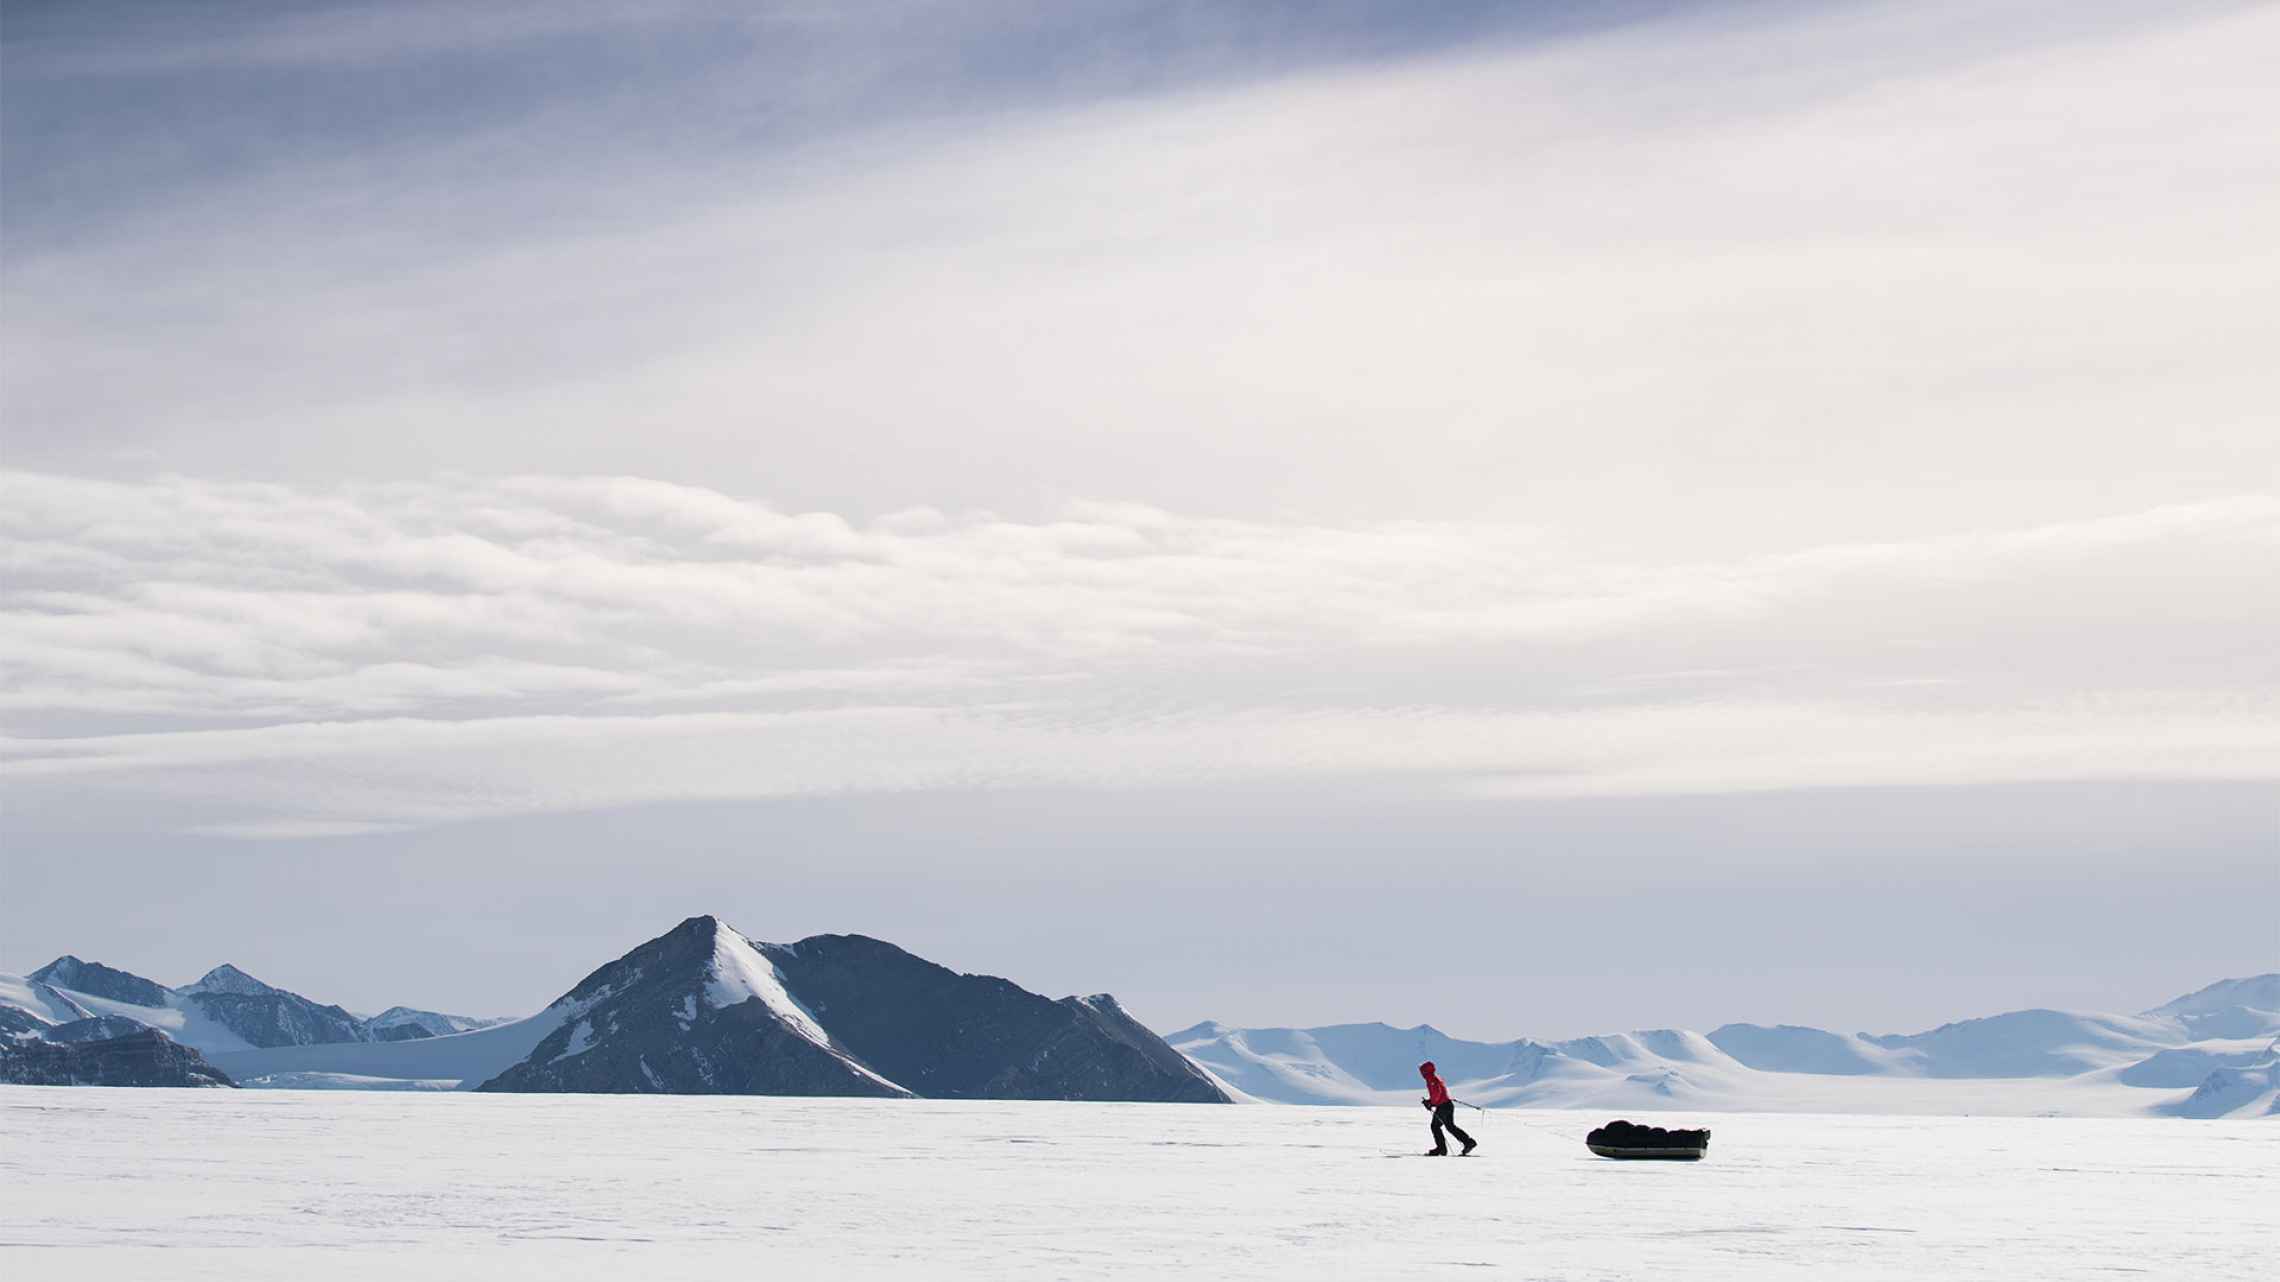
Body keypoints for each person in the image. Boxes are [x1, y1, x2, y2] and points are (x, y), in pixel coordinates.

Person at [1419, 1060, 1476, 1156]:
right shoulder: (1435, 1077)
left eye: (1422, 1071)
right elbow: (1438, 1095)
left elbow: (1437, 1094)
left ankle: (1441, 1149)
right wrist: (1430, 1102)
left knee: (1435, 1126)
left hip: (1443, 1107)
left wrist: (1430, 1103)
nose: (1421, 1073)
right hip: (1447, 1105)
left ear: (1425, 1071)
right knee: (1450, 1127)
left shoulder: (1432, 1079)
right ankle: (1468, 1142)